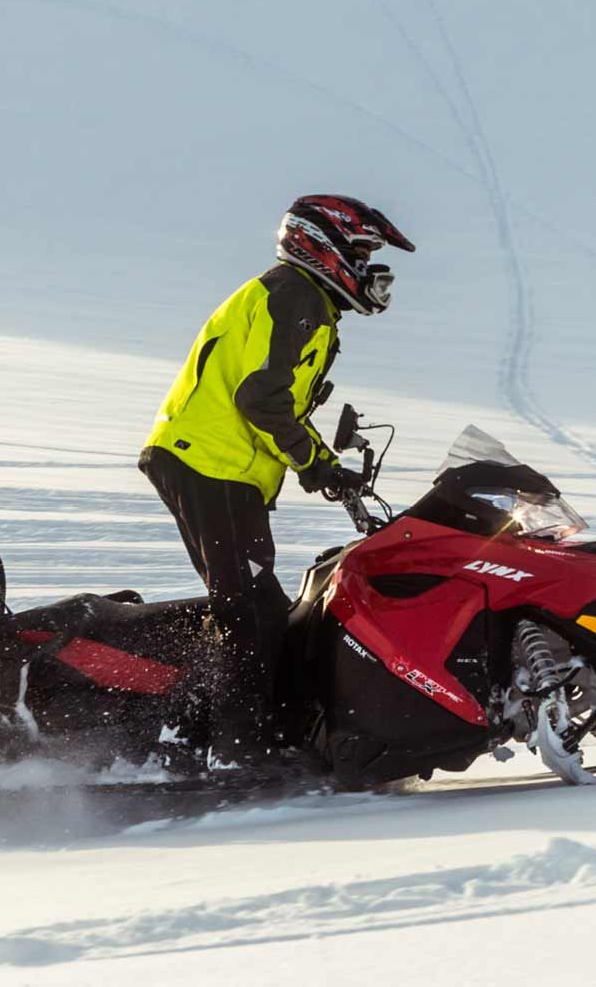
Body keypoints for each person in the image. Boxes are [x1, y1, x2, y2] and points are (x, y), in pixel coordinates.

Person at [139, 194, 414, 768]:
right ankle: (236, 752)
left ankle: (212, 735)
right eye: (362, 253)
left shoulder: (303, 300)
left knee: (258, 605)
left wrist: (324, 464)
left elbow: (272, 402)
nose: (369, 267)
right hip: (210, 463)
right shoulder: (294, 296)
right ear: (325, 246)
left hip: (219, 466)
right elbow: (261, 400)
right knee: (248, 609)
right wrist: (315, 463)